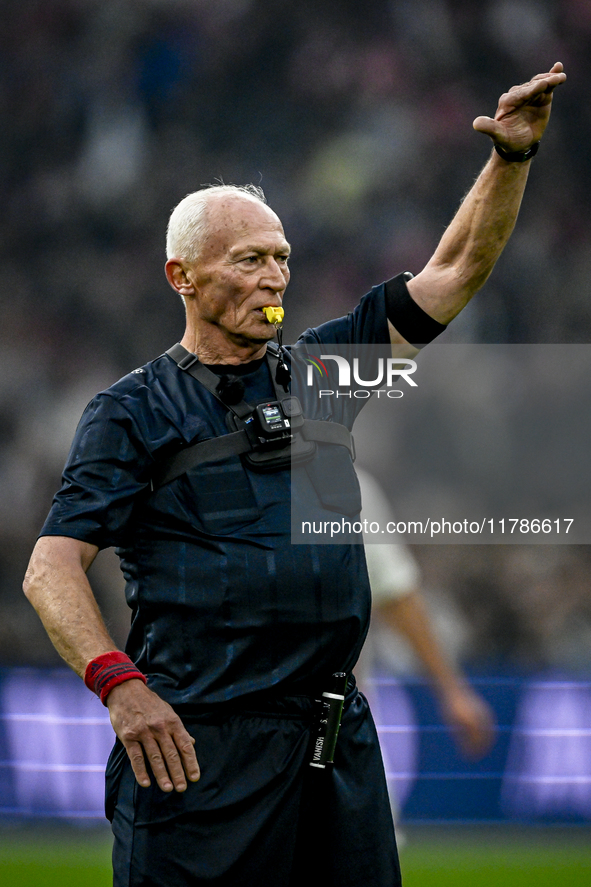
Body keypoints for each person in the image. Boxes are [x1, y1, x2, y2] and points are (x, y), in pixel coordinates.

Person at [23, 65, 565, 886]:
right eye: (248, 259)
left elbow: (451, 273)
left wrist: (511, 162)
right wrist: (119, 687)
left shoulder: (319, 374)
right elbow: (50, 568)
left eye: (281, 257)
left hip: (333, 747)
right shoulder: (130, 411)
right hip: (197, 750)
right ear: (183, 276)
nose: (274, 276)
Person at [354, 467, 495, 833]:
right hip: (331, 728)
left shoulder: (342, 480)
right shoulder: (338, 479)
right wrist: (453, 691)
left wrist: (453, 690)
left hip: (328, 725)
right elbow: (397, 594)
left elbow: (397, 595)